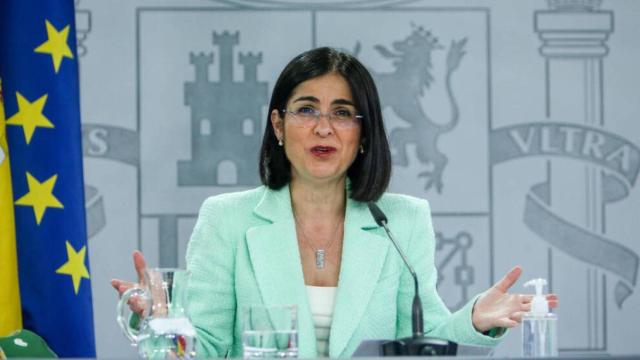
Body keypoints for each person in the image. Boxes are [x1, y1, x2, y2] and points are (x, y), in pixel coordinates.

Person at [112, 47, 558, 358]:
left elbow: (425, 340)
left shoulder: (402, 221)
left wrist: (476, 320)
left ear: (363, 135)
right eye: (306, 109)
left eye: (343, 113)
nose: (324, 128)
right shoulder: (226, 220)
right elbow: (205, 349)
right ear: (278, 125)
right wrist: (163, 327)